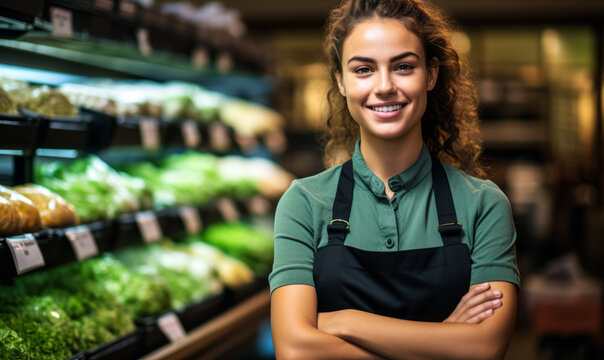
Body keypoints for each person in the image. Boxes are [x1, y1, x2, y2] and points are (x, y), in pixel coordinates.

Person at [270, 0, 520, 358]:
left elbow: (485, 347)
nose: (384, 86)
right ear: (340, 81)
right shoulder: (304, 203)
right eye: (363, 70)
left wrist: (343, 321)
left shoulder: (483, 204)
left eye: (403, 66)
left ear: (431, 75)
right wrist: (443, 341)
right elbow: (295, 349)